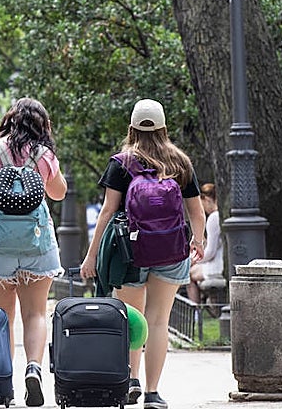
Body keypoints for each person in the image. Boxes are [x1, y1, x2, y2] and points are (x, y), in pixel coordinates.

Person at [80, 99, 206, 409]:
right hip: (171, 250)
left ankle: (131, 381)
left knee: (131, 318)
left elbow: (108, 211)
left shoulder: (122, 163)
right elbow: (196, 211)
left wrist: (92, 254)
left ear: (131, 128)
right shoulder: (180, 163)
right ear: (164, 128)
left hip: (129, 252)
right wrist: (198, 241)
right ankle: (153, 393)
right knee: (159, 320)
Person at [0, 97, 68, 408]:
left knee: (2, 317)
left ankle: (4, 383)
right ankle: (34, 368)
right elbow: (58, 193)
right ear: (41, 124)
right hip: (37, 242)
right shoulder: (44, 155)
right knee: (35, 313)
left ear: (9, 120)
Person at [187, 183, 224, 304]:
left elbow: (210, 252)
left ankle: (196, 310)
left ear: (206, 199)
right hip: (218, 262)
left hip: (216, 266)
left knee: (188, 275)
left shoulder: (214, 218)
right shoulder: (220, 216)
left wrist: (194, 260)